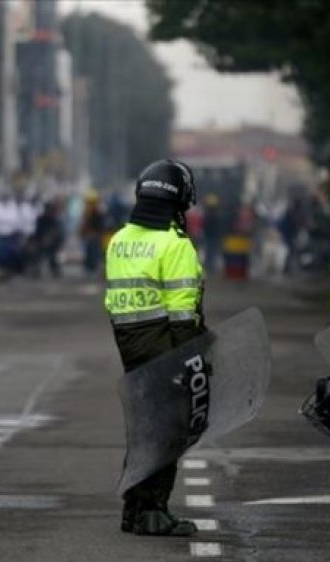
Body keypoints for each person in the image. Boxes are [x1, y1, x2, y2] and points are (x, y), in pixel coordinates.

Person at [104, 159, 205, 537]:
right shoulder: (174, 244)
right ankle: (153, 511)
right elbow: (182, 313)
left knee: (143, 428)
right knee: (167, 430)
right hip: (165, 344)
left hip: (129, 344)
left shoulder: (120, 241)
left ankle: (134, 508)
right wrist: (191, 360)